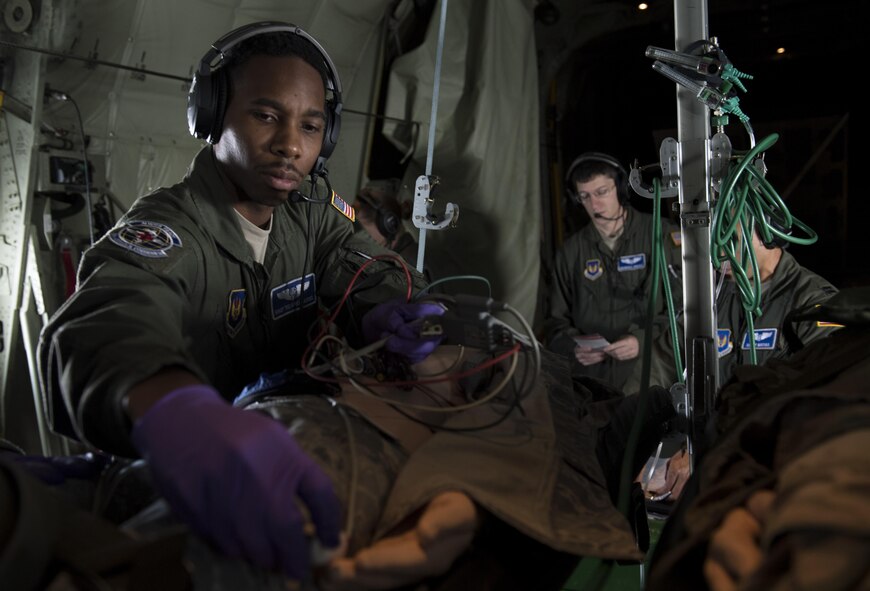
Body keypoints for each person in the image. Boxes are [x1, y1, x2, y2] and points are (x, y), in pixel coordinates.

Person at [35, 22, 441, 583]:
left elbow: (364, 262)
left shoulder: (310, 209)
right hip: (192, 480)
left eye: (311, 125)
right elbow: (102, 322)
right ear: (210, 115)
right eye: (266, 115)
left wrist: (388, 305)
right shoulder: (168, 229)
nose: (291, 146)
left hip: (292, 440)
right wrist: (175, 409)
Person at [646, 289, 870, 591]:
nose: (719, 249)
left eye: (730, 238)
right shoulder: (709, 296)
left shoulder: (812, 300)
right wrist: (653, 441)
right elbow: (659, 362)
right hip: (705, 449)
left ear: (765, 239)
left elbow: (813, 405)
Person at [543, 152, 681, 390]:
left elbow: (685, 311)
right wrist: (573, 347)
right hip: (591, 379)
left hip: (651, 373)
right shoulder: (570, 252)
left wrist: (642, 341)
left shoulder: (662, 234)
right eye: (584, 196)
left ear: (620, 188)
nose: (594, 204)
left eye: (601, 192)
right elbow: (555, 322)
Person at [353, 178, 421, 270]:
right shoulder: (403, 259)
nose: (360, 236)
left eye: (361, 231)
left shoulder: (406, 267)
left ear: (388, 224)